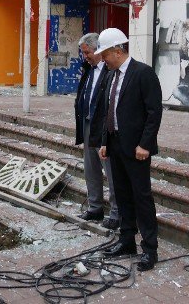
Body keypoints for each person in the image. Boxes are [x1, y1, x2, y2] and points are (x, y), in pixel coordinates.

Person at [97, 28, 162, 272]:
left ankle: (149, 249)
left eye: (105, 54)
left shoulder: (143, 73)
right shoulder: (111, 75)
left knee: (141, 198)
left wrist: (145, 144)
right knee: (122, 196)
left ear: (117, 50)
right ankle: (127, 242)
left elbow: (154, 113)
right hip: (115, 146)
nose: (102, 59)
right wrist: (105, 141)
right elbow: (109, 111)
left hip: (137, 149)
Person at [74, 33, 119, 230]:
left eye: (87, 52)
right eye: (83, 53)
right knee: (91, 168)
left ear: (98, 50)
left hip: (104, 127)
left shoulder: (111, 71)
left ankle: (116, 212)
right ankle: (95, 207)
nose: (85, 56)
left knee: (110, 170)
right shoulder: (88, 69)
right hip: (87, 124)